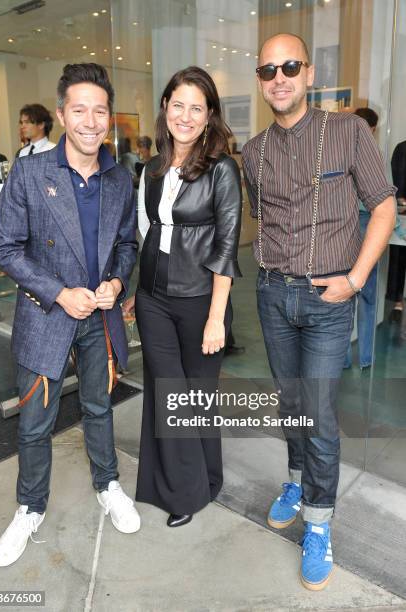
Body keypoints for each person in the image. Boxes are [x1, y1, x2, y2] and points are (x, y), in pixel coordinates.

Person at [242, 33, 396, 590]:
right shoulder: (251, 152)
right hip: (271, 294)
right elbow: (263, 217)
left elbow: (382, 206)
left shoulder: (349, 132)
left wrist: (354, 280)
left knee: (319, 414)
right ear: (260, 82)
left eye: (289, 66)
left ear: (309, 73)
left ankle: (319, 522)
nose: (278, 77)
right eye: (267, 70)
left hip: (328, 300)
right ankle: (296, 479)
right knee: (290, 402)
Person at [0, 63, 139, 568]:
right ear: (61, 115)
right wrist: (59, 292)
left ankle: (108, 484)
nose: (91, 121)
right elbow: (5, 247)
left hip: (99, 318)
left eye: (100, 111)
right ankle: (30, 507)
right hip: (45, 317)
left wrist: (117, 282)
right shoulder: (30, 173)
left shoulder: (120, 179)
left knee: (99, 408)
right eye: (80, 110)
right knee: (35, 424)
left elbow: (126, 244)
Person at [124, 65, 242, 528]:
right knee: (167, 394)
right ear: (165, 108)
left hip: (200, 300)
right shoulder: (152, 168)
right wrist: (138, 290)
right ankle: (183, 489)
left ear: (209, 114)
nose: (186, 116)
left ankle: (204, 479)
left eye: (197, 108)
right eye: (179, 106)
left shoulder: (222, 170)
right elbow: (146, 232)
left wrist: (217, 317)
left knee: (197, 396)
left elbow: (227, 247)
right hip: (153, 298)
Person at [344, 107, 379, 369]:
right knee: (366, 296)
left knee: (346, 295)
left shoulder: (343, 149)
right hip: (364, 223)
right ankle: (366, 357)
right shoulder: (372, 152)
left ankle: (345, 359)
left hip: (348, 225)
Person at [387, 139, 406, 321]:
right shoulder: (402, 148)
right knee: (398, 259)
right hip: (402, 215)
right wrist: (399, 199)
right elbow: (395, 180)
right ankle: (397, 303)